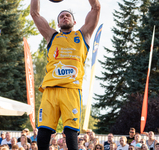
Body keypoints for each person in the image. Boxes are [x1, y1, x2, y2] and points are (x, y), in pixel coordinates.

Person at [30, 0, 101, 149]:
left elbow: (96, 7)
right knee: (43, 134)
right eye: (61, 16)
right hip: (50, 90)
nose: (64, 17)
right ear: (58, 23)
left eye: (67, 15)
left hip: (71, 90)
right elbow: (35, 14)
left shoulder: (83, 34)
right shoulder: (52, 36)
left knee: (71, 134)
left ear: (74, 21)